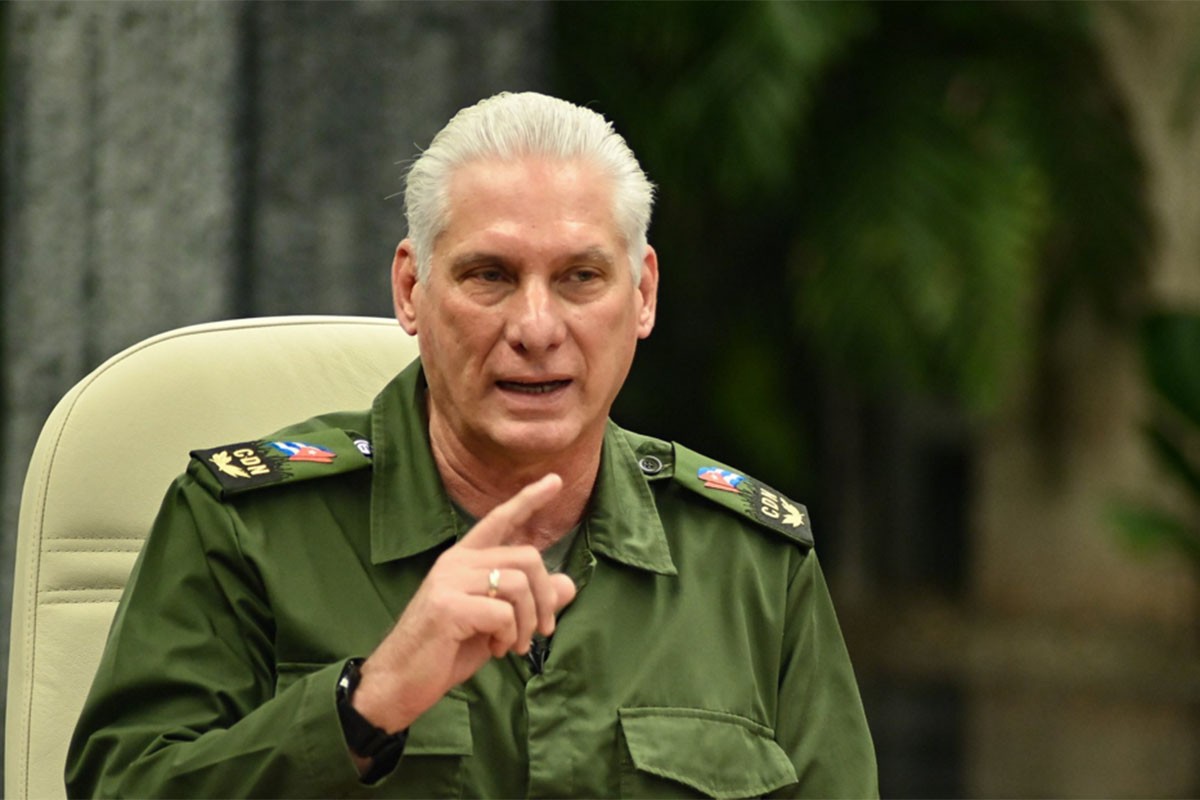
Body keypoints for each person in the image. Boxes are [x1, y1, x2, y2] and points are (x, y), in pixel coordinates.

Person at [66, 91, 877, 798]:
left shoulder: (751, 566)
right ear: (411, 290)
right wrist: (365, 704)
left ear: (643, 294)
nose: (536, 328)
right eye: (490, 275)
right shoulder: (246, 529)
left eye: (581, 277)